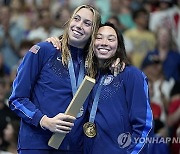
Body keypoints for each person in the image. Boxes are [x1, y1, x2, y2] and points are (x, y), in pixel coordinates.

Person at [9, 5, 102, 154]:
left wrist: (118, 61)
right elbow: (16, 99)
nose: (79, 25)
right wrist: (43, 120)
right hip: (37, 145)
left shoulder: (94, 64)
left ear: (94, 31)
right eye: (76, 19)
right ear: (69, 21)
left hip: (73, 147)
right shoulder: (44, 51)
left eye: (87, 23)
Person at [83, 22, 153, 153]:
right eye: (99, 38)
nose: (104, 42)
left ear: (119, 45)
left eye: (111, 39)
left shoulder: (132, 75)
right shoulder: (86, 74)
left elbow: (144, 125)